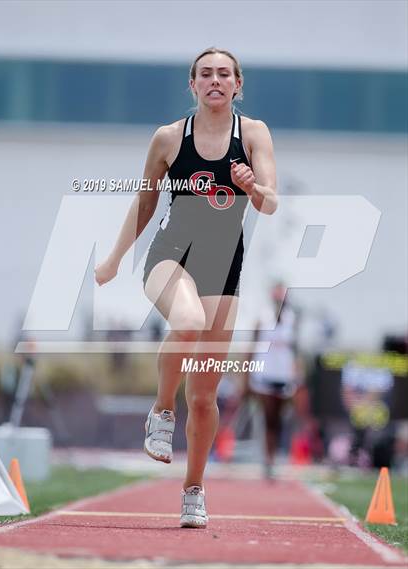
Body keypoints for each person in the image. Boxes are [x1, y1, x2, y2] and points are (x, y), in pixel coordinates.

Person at [95, 47, 277, 528]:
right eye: (205, 74)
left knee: (202, 398)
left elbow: (270, 203)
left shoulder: (253, 134)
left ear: (238, 84)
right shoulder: (169, 139)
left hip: (224, 270)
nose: (214, 80)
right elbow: (144, 203)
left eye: (224, 74)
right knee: (188, 320)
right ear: (191, 85)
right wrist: (114, 259)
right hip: (170, 256)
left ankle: (193, 490)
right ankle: (159, 411)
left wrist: (251, 185)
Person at [246, 282, 304, 478]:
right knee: (268, 416)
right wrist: (246, 374)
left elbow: (295, 349)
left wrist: (297, 374)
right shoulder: (262, 317)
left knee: (278, 419)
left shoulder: (292, 319)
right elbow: (252, 345)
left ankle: (273, 456)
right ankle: (267, 458)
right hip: (264, 373)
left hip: (284, 375)